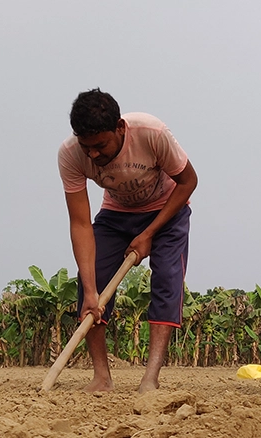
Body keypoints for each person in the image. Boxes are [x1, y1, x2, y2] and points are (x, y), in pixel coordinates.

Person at [58, 89, 198, 393]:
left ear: (120, 128)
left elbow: (189, 181)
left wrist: (149, 233)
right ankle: (101, 377)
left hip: (167, 210)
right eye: (87, 147)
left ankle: (150, 377)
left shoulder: (151, 133)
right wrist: (92, 291)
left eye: (100, 145)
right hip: (116, 214)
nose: (93, 155)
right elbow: (81, 223)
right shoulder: (70, 155)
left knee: (167, 281)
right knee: (88, 279)